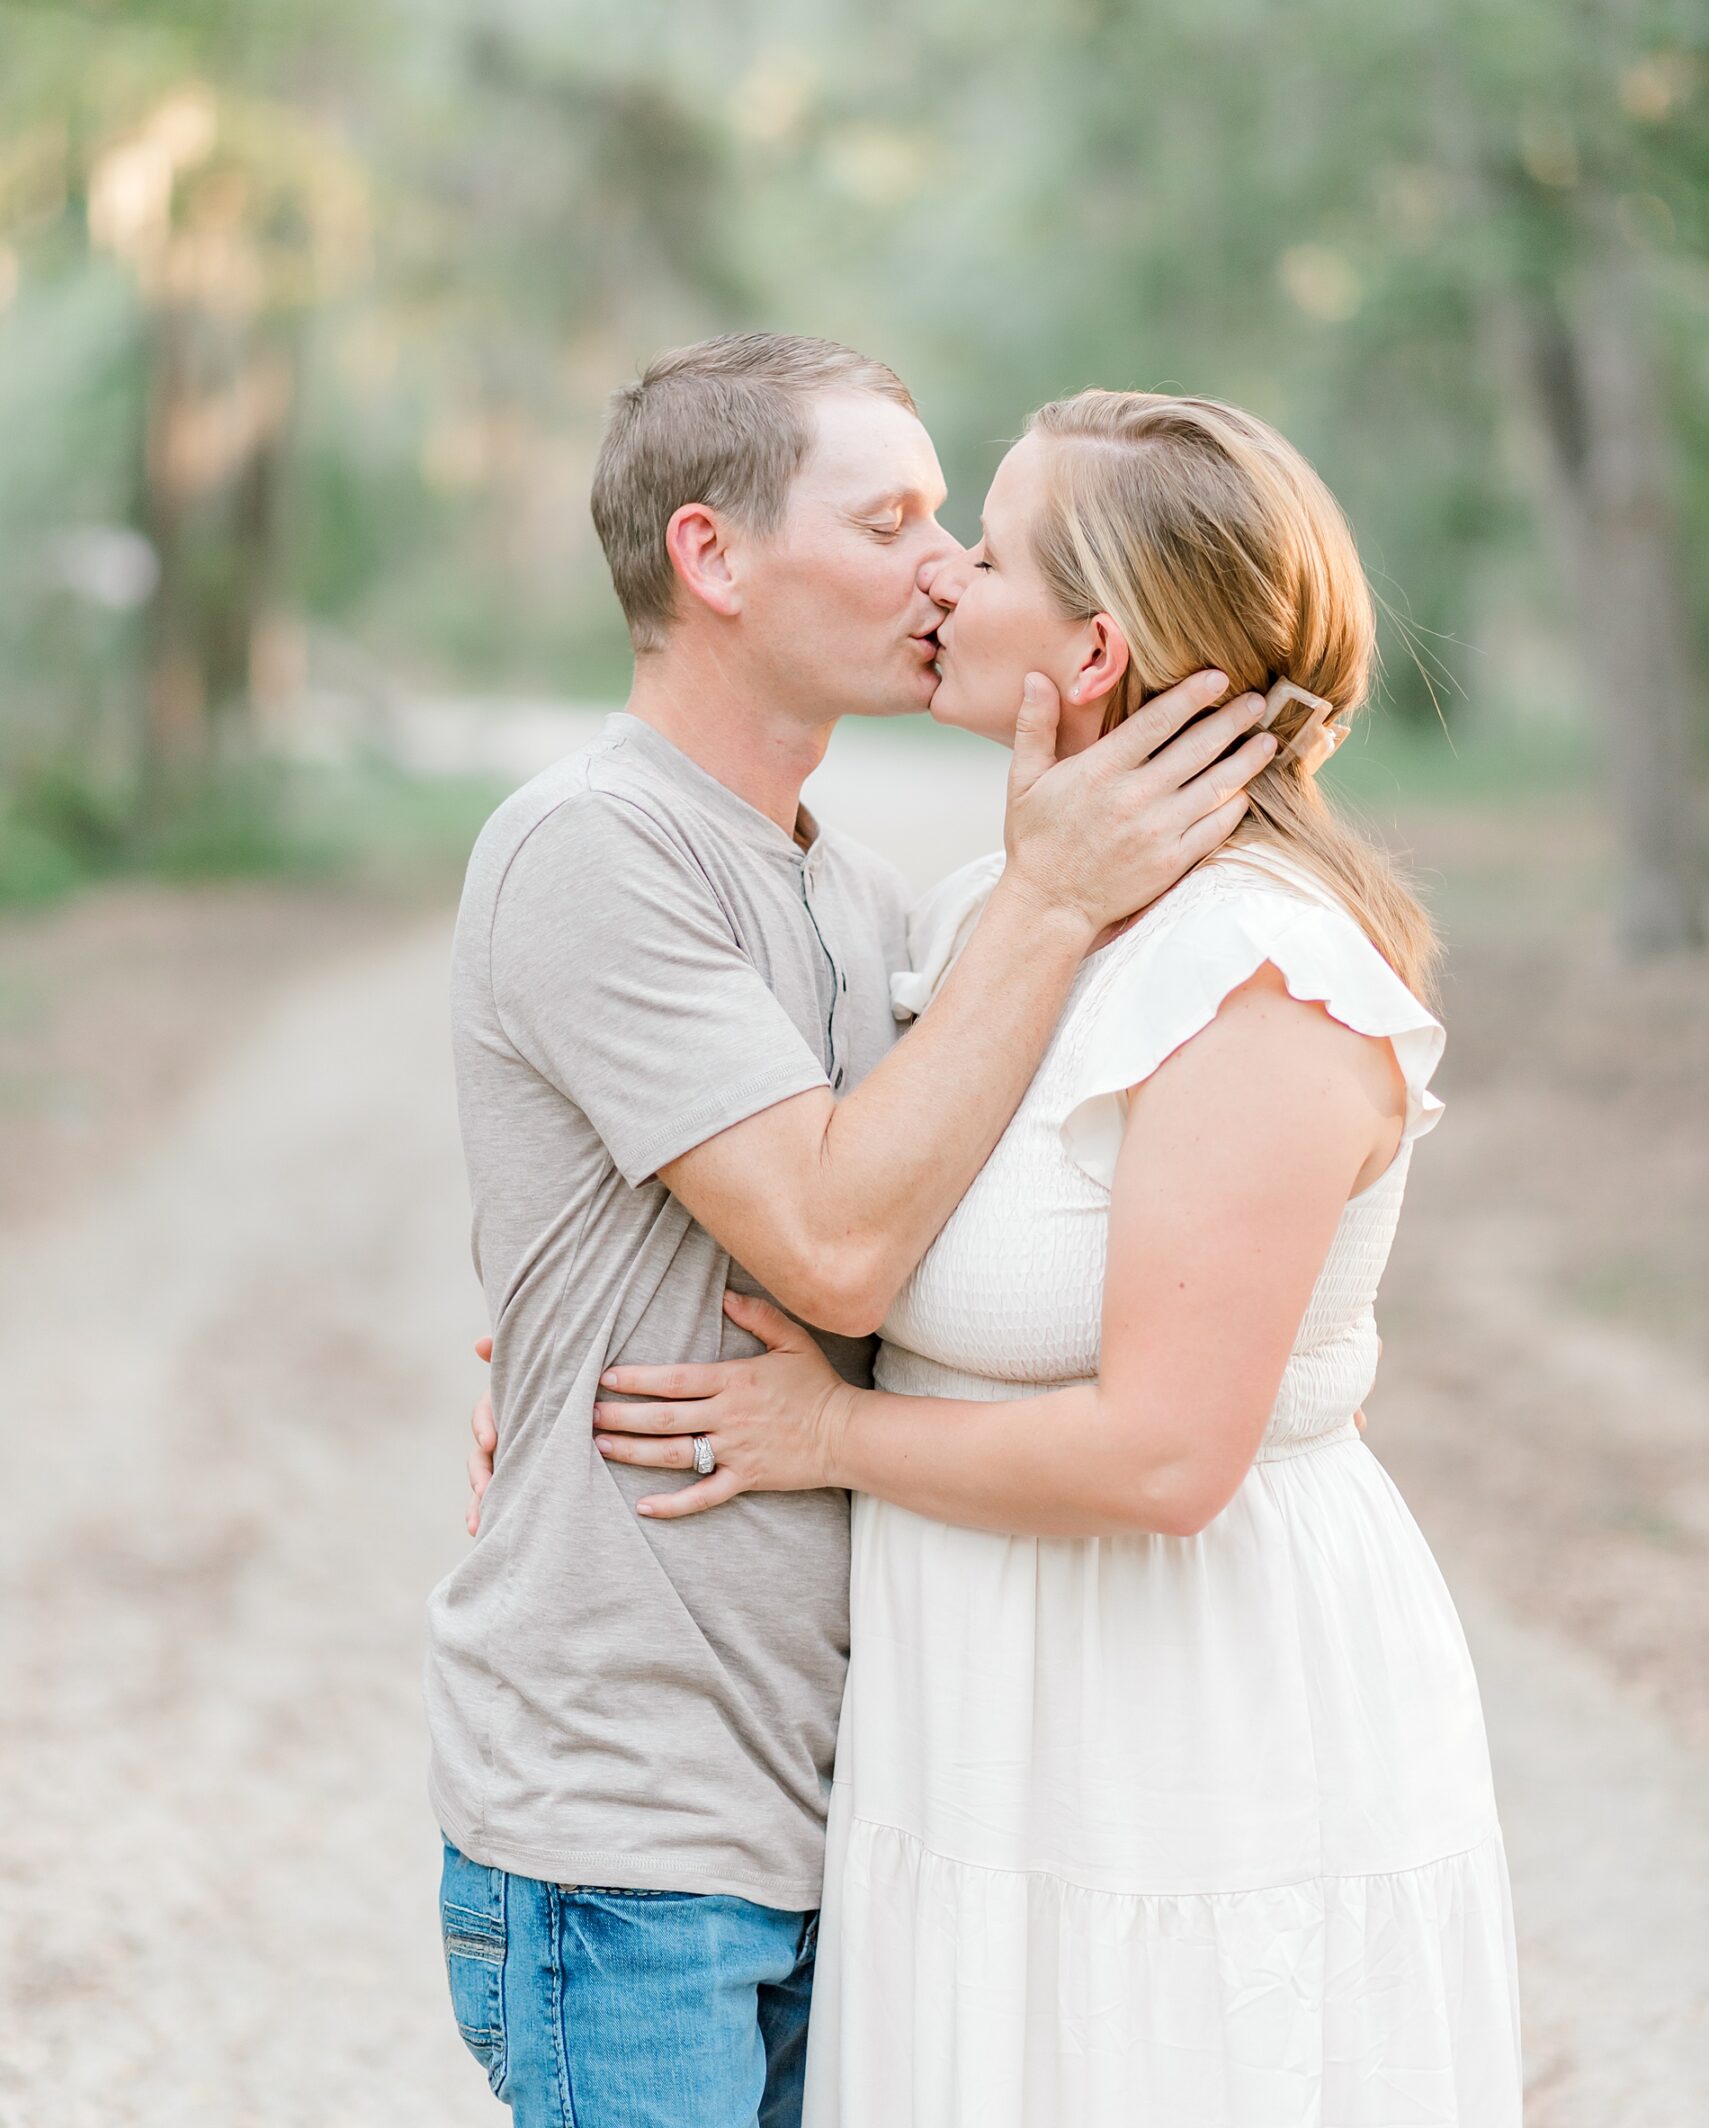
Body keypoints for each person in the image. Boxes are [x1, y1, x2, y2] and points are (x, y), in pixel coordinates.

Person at [585, 392, 1525, 2126]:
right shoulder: (996, 918)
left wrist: (823, 1438)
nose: (943, 573)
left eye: (989, 548)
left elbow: (1167, 1456)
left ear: (1090, 649)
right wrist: (570, 1359)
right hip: (983, 1722)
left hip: (1188, 1731)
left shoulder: (1255, 975)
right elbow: (836, 1210)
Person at [424, 336, 1275, 2128]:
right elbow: (829, 1247)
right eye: (889, 520)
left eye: (951, 521)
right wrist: (1049, 896)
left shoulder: (858, 892)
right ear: (710, 560)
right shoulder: (588, 847)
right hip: (631, 1818)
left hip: (856, 1800)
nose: (947, 566)